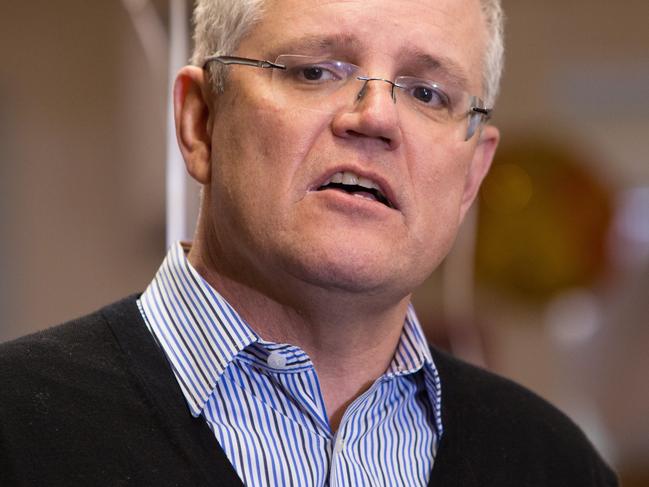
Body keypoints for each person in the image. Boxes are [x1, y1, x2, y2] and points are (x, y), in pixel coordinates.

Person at [0, 0, 617, 485]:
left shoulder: (555, 464)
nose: (375, 118)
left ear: (471, 176)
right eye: (315, 71)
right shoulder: (19, 428)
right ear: (200, 122)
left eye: (427, 93)